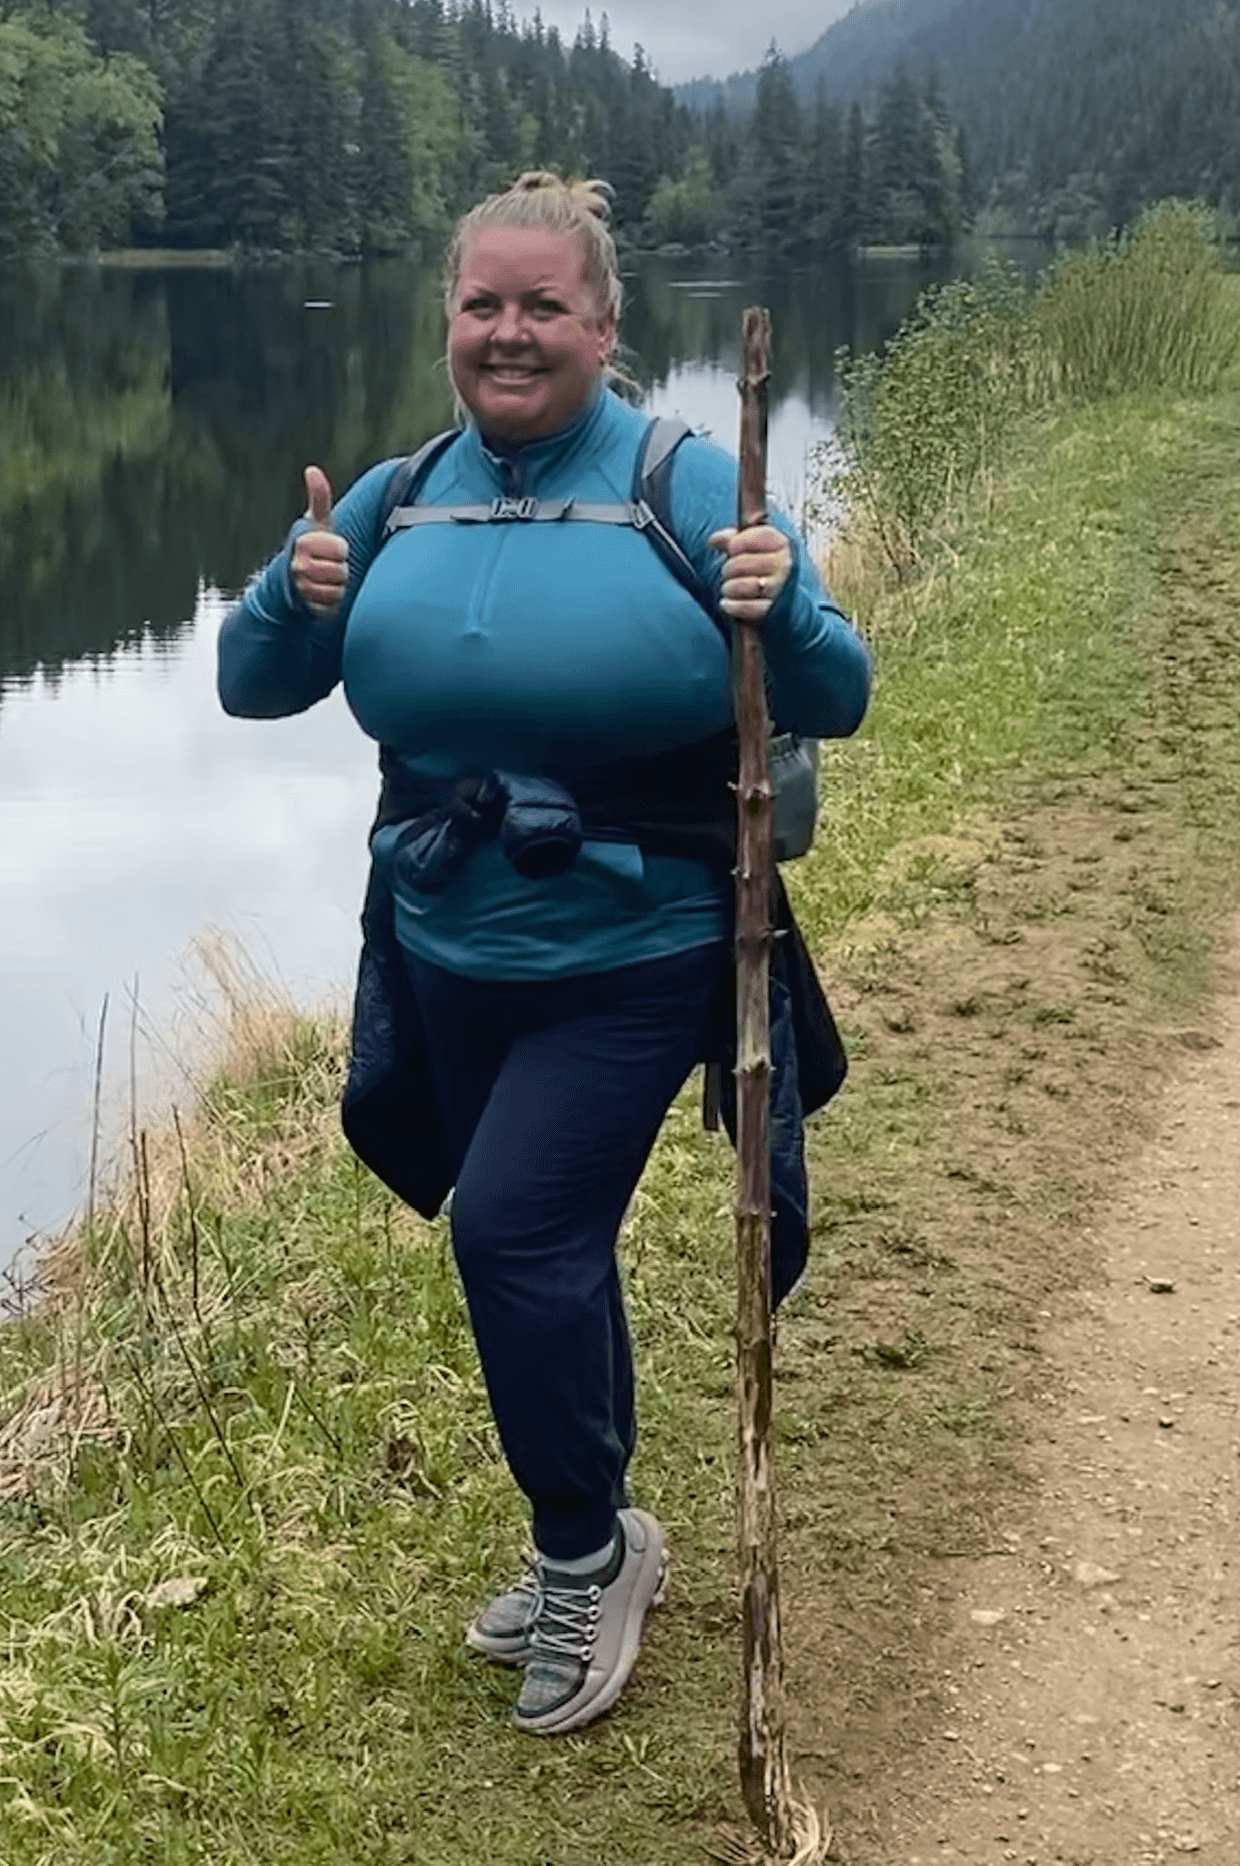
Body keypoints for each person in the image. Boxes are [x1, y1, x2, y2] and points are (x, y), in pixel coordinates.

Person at [217, 171, 871, 1736]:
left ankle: (581, 1553)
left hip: (637, 947)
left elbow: (836, 692)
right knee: (546, 1245)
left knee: (512, 1230)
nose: (508, 332)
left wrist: (783, 608)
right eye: (481, 304)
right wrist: (293, 595)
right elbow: (252, 685)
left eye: (543, 306)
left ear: (604, 324)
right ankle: (608, 1522)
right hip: (440, 944)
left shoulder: (681, 481)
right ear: (447, 317)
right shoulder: (395, 494)